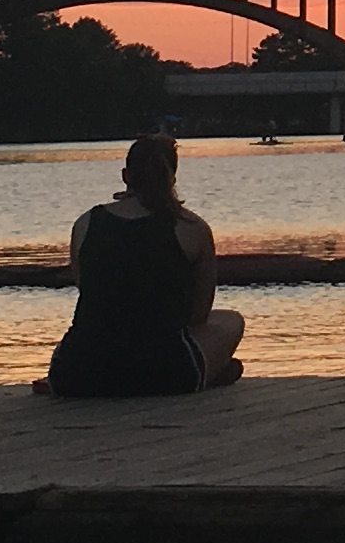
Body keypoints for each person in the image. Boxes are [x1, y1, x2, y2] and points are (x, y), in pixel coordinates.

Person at [44, 136, 247, 398]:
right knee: (230, 320)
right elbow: (198, 314)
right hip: (163, 373)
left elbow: (89, 290)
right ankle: (211, 369)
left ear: (125, 175)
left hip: (77, 372)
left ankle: (209, 369)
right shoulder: (191, 228)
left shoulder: (85, 223)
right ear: (172, 176)